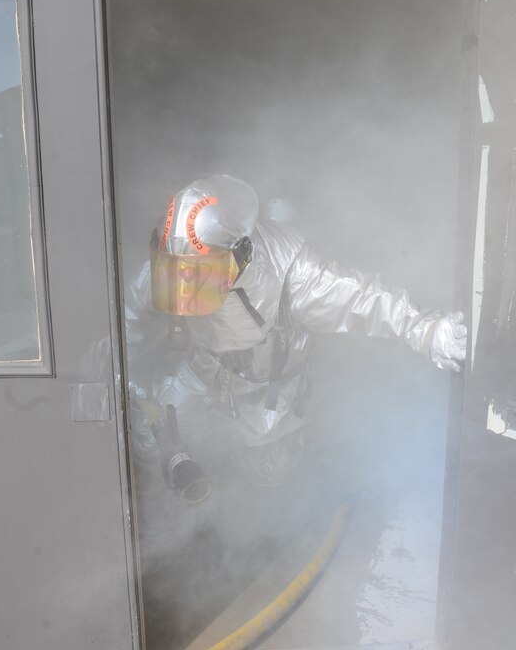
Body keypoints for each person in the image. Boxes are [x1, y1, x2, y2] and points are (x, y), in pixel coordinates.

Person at [125, 174, 466, 502]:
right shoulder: (176, 265)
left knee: (269, 472)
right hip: (205, 368)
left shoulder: (288, 270)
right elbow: (128, 310)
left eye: (201, 278)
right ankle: (167, 510)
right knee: (150, 433)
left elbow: (361, 297)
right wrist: (124, 372)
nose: (186, 293)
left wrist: (425, 330)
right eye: (177, 277)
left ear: (242, 254)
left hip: (267, 379)